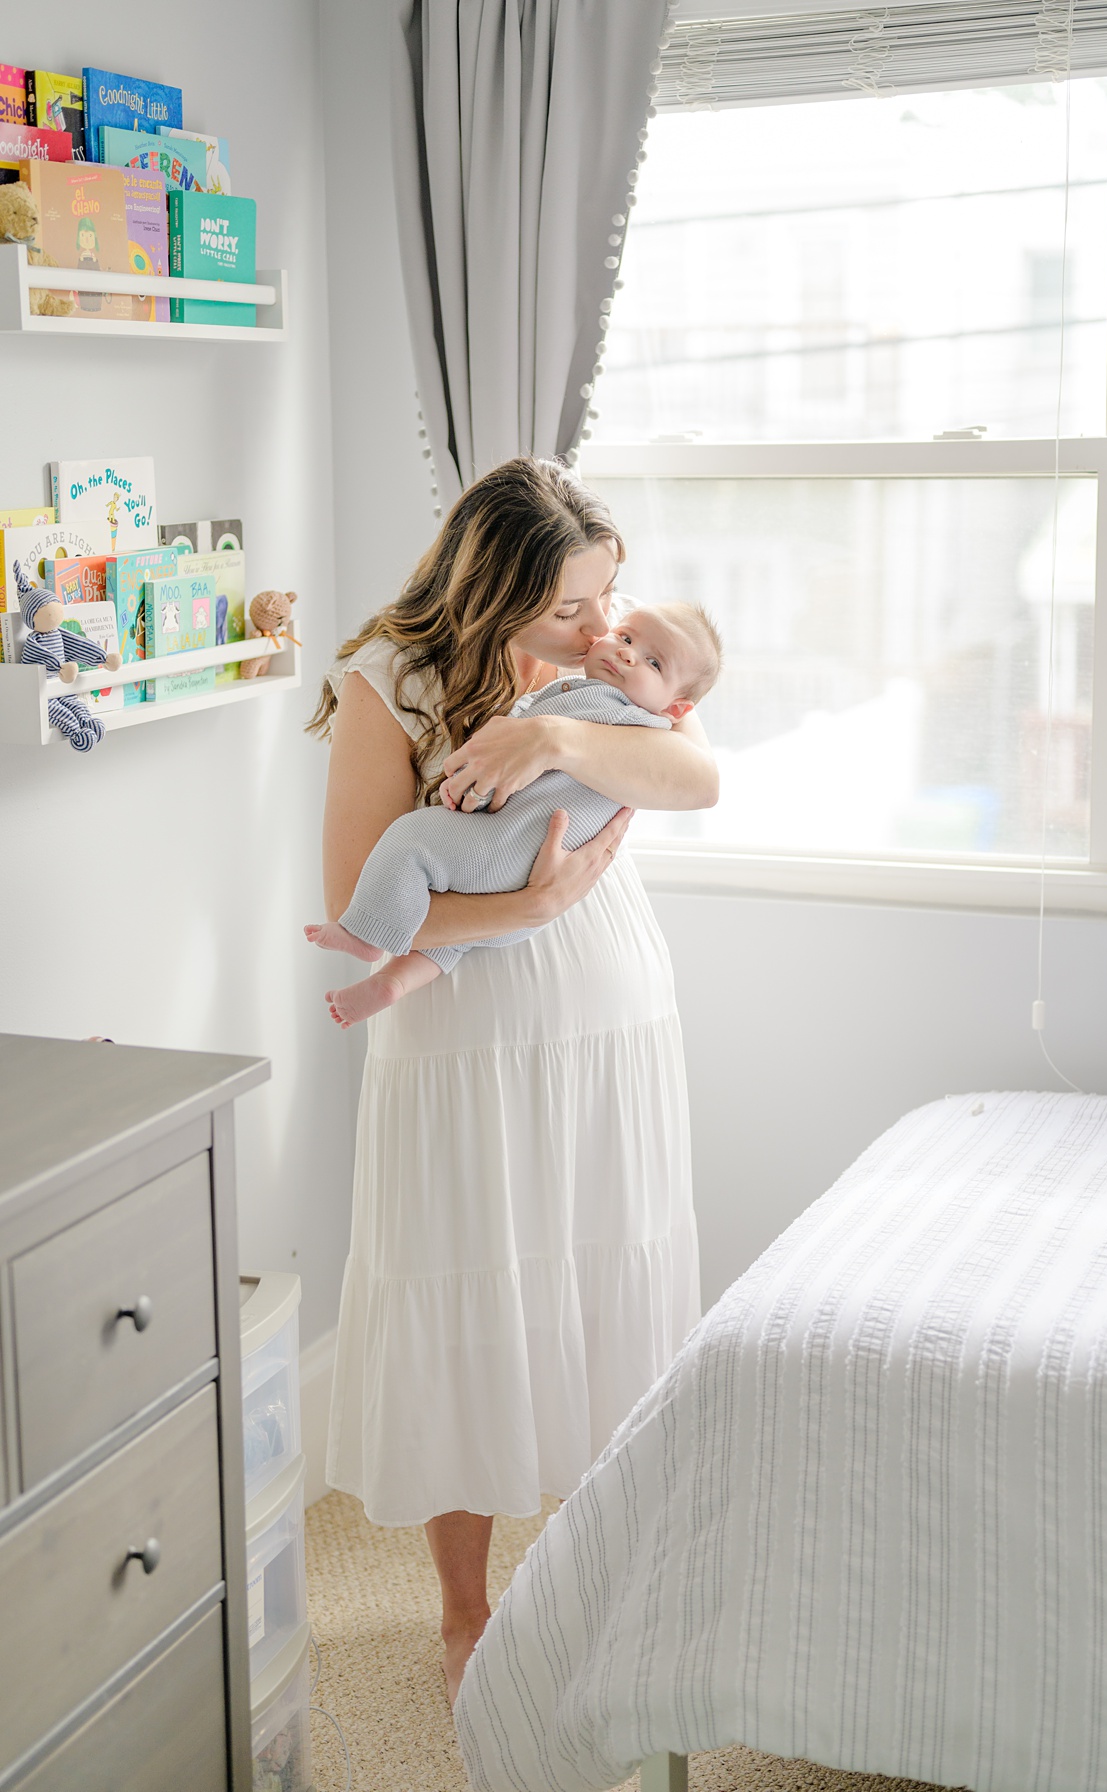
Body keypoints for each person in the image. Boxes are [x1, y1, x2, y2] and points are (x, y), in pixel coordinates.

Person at [309, 457, 717, 1704]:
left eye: (605, 599)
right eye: (568, 609)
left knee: (604, 1283)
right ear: (491, 593)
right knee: (465, 1299)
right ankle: (464, 1613)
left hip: (606, 1019)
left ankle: (601, 1581)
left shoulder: (604, 681)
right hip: (463, 1043)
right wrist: (529, 902)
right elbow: (360, 909)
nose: (599, 628)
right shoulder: (390, 683)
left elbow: (699, 778)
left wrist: (550, 726)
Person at [308, 604, 722, 1026]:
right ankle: (393, 982)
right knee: (452, 942)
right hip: (517, 920)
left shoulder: (619, 688)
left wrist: (540, 745)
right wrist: (533, 906)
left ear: (676, 710)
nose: (608, 628)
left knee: (411, 839)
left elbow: (703, 783)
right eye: (626, 638)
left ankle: (368, 934)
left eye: (652, 662)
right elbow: (343, 896)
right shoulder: (393, 668)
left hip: (550, 903)